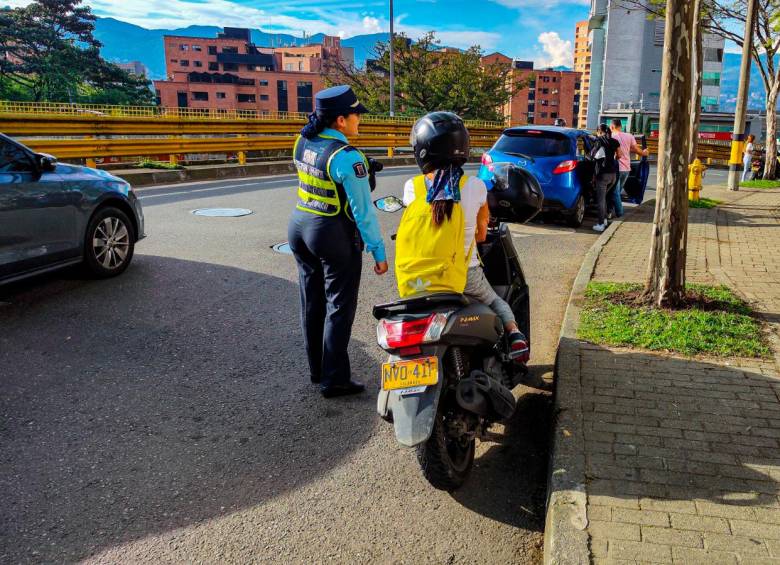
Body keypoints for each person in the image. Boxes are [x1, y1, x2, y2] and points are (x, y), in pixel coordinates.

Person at [398, 112, 529, 362]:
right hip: (461, 275)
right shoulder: (475, 187)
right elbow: (481, 236)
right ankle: (514, 336)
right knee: (496, 302)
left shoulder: (411, 187)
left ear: (423, 150)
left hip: (415, 275)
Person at [287, 85, 388, 398]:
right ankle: (335, 379)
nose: (360, 119)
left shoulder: (303, 140)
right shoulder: (347, 157)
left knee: (312, 302)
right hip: (332, 235)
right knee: (339, 307)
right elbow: (363, 212)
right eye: (356, 114)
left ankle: (318, 369)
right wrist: (378, 251)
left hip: (300, 226)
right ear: (341, 121)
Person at [609, 118, 649, 217]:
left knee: (615, 192)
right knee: (617, 192)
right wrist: (644, 153)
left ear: (612, 126)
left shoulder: (612, 137)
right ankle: (610, 211)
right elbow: (635, 149)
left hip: (617, 169)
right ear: (620, 126)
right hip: (627, 169)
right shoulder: (629, 136)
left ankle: (619, 212)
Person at [590, 123, 621, 233]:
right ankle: (605, 220)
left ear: (599, 131)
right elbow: (620, 155)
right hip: (613, 174)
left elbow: (592, 155)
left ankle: (600, 224)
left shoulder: (599, 141)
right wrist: (612, 159)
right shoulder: (614, 141)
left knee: (601, 200)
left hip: (603, 175)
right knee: (605, 197)